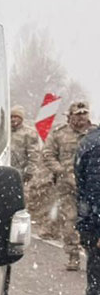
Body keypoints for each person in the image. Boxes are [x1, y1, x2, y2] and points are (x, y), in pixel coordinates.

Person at [37, 101, 97, 270]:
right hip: (67, 186)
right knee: (70, 220)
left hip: (91, 186)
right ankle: (73, 256)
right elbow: (48, 154)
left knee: (92, 221)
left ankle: (93, 254)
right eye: (78, 115)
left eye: (84, 114)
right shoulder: (59, 134)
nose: (81, 118)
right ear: (70, 116)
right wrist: (61, 171)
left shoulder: (94, 134)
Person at [72, 126, 100, 295]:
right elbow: (95, 192)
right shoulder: (97, 145)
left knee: (96, 289)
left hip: (91, 226)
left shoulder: (90, 141)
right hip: (97, 228)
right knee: (97, 290)